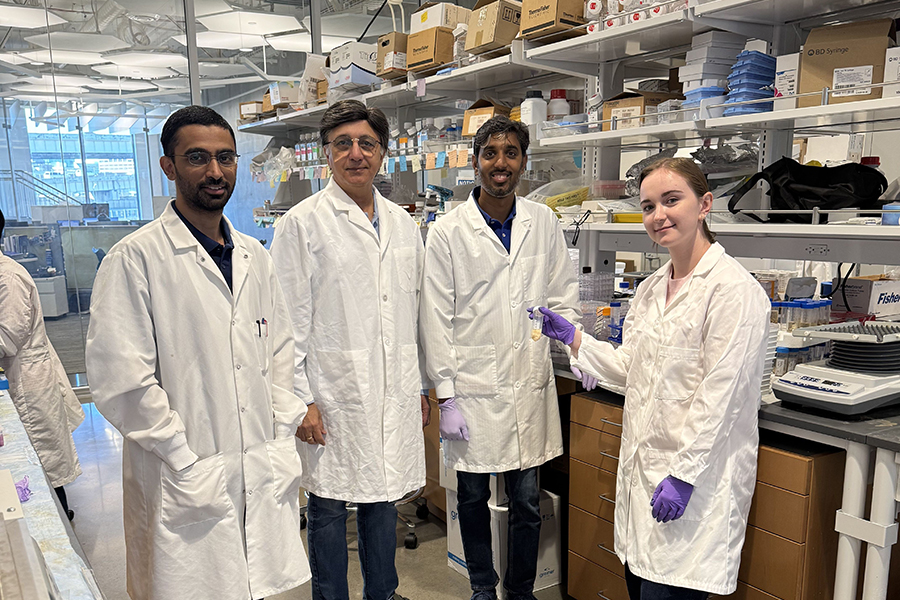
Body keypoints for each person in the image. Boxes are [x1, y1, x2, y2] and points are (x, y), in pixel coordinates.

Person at [84, 106, 310, 600]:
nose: (214, 172)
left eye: (225, 158)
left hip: (257, 460)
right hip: (181, 471)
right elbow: (122, 382)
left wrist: (281, 431)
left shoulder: (255, 255)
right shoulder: (136, 259)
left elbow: (281, 353)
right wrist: (184, 458)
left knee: (258, 584)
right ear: (168, 166)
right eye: (197, 158)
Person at [532, 157, 770, 599]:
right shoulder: (650, 288)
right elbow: (632, 370)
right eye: (647, 206)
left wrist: (683, 475)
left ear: (705, 204)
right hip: (643, 485)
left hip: (695, 488)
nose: (658, 215)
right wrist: (576, 339)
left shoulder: (734, 292)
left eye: (671, 200)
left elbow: (721, 399)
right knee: (640, 586)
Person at [270, 99, 428, 600]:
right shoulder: (301, 224)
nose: (355, 154)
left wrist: (421, 384)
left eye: (366, 143)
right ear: (327, 154)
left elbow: (414, 311)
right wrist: (302, 401)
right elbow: (286, 323)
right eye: (343, 144)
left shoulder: (403, 224)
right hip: (331, 393)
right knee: (328, 507)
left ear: (382, 153)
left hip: (393, 388)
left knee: (384, 500)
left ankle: (381, 594)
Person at [419, 115, 580, 600]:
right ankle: (482, 588)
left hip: (526, 382)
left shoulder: (544, 221)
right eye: (490, 154)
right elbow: (435, 317)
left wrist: (574, 345)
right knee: (470, 497)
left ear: (523, 162)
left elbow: (562, 294)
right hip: (471, 387)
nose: (500, 163)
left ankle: (522, 589)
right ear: (475, 162)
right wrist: (445, 396)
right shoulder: (448, 232)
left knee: (527, 502)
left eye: (510, 153)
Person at [0, 208, 84, 520]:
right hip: (20, 377)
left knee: (42, 460)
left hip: (27, 380)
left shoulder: (8, 278)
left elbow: (6, 338)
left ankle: (58, 519)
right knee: (35, 459)